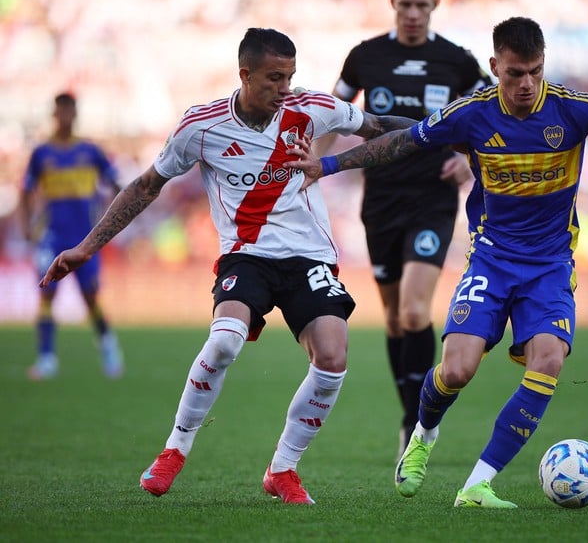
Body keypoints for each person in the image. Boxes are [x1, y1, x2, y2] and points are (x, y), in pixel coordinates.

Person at [286, 17, 588, 508]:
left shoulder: (573, 109)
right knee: (456, 371)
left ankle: (477, 484)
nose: (525, 84)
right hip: (491, 262)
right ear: (495, 66)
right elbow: (404, 141)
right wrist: (326, 166)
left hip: (550, 266)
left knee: (549, 361)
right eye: (515, 73)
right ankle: (423, 435)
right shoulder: (471, 114)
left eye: (535, 72)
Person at [39, 28, 416, 504]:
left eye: (290, 76)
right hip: (247, 254)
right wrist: (87, 247)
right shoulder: (201, 126)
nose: (286, 88)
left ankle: (283, 469)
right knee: (223, 342)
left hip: (309, 256)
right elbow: (145, 187)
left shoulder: (313, 110)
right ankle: (174, 450)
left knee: (334, 357)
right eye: (275, 78)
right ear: (245, 74)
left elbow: (382, 127)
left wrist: (451, 128)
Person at [316, 0, 492, 457]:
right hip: (382, 200)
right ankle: (407, 417)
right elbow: (332, 113)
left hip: (432, 198)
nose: (413, 13)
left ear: (435, 6)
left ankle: (421, 421)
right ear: (392, 4)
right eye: (405, 4)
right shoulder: (364, 57)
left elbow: (492, 113)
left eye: (422, 5)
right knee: (393, 319)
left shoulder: (457, 62)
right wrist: (312, 159)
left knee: (416, 309)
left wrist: (467, 157)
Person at [21, 92, 124, 381]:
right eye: (60, 111)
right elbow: (26, 191)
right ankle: (46, 358)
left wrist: (109, 221)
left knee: (90, 296)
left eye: (69, 111)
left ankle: (108, 345)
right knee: (46, 292)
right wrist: (28, 225)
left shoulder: (90, 151)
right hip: (51, 236)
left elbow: (118, 186)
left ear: (75, 114)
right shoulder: (41, 153)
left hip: (85, 238)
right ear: (54, 114)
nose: (65, 116)